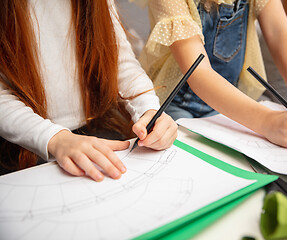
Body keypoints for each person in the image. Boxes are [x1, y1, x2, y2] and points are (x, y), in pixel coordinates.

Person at [134, 0, 287, 149]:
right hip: (176, 108)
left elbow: (278, 30)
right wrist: (267, 121)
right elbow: (199, 72)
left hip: (232, 104)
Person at [0, 0, 177, 181]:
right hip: (22, 143)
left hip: (94, 127)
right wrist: (55, 139)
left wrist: (149, 110)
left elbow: (121, 63)